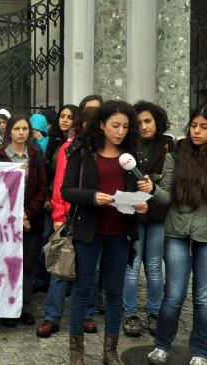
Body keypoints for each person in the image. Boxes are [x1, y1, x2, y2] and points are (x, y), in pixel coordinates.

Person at [62, 100, 150, 365]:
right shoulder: (83, 150)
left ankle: (110, 351)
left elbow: (142, 194)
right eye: (115, 125)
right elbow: (67, 190)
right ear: (102, 124)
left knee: (114, 291)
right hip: (89, 230)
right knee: (83, 288)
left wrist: (143, 199)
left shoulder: (132, 156)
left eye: (125, 126)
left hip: (120, 233)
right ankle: (76, 353)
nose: (120, 131)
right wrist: (92, 197)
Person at [147, 102, 207, 365]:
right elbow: (166, 196)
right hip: (177, 231)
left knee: (203, 298)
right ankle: (162, 345)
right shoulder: (176, 154)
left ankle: (200, 351)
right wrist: (151, 189)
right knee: (174, 294)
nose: (196, 131)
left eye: (204, 127)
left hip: (206, 233)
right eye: (194, 125)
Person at [36, 107, 101, 339]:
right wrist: (58, 217)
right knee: (61, 268)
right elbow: (60, 186)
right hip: (69, 216)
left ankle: (86, 314)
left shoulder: (105, 150)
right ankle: (52, 317)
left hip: (95, 218)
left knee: (91, 270)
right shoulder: (68, 148)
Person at [122, 101, 173, 338]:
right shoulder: (127, 145)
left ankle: (154, 313)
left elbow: (169, 183)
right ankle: (130, 314)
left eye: (148, 121)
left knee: (154, 267)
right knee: (132, 267)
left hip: (157, 215)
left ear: (157, 122)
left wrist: (153, 182)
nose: (143, 126)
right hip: (132, 213)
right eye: (139, 122)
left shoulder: (168, 146)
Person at [0, 114, 47, 327]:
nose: (21, 133)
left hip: (30, 220)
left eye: (25, 129)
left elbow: (42, 188)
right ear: (9, 131)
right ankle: (5, 307)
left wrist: (26, 214)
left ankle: (23, 306)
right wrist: (12, 214)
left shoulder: (36, 155)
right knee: (6, 263)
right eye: (17, 129)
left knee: (27, 264)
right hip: (4, 220)